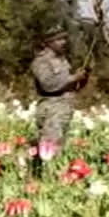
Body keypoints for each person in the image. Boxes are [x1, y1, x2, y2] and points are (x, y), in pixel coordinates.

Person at [30, 26, 89, 159]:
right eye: (58, 39)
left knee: (59, 146)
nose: (63, 42)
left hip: (63, 108)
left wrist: (82, 78)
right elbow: (48, 85)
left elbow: (68, 86)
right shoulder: (41, 61)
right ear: (48, 43)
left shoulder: (62, 61)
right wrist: (73, 77)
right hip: (52, 109)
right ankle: (46, 175)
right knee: (50, 148)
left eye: (64, 38)